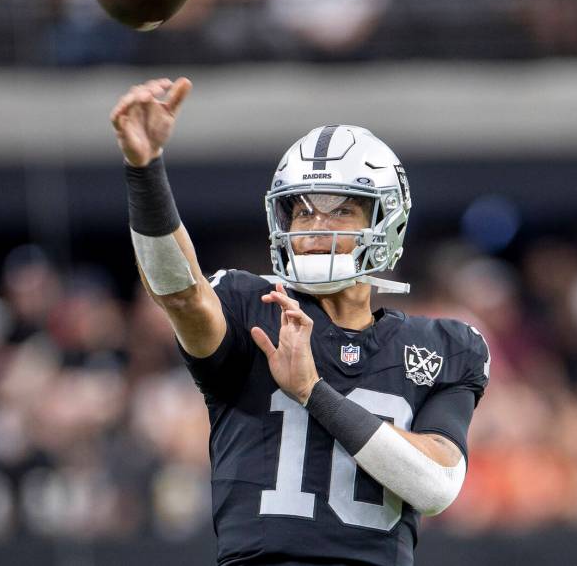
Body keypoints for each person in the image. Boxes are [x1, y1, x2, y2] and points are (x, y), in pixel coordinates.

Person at [110, 77, 490, 566]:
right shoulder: (254, 305)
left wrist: (314, 392)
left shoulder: (442, 346)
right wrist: (144, 170)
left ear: (385, 223)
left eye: (341, 211)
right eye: (302, 210)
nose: (314, 228)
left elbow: (435, 485)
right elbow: (181, 294)